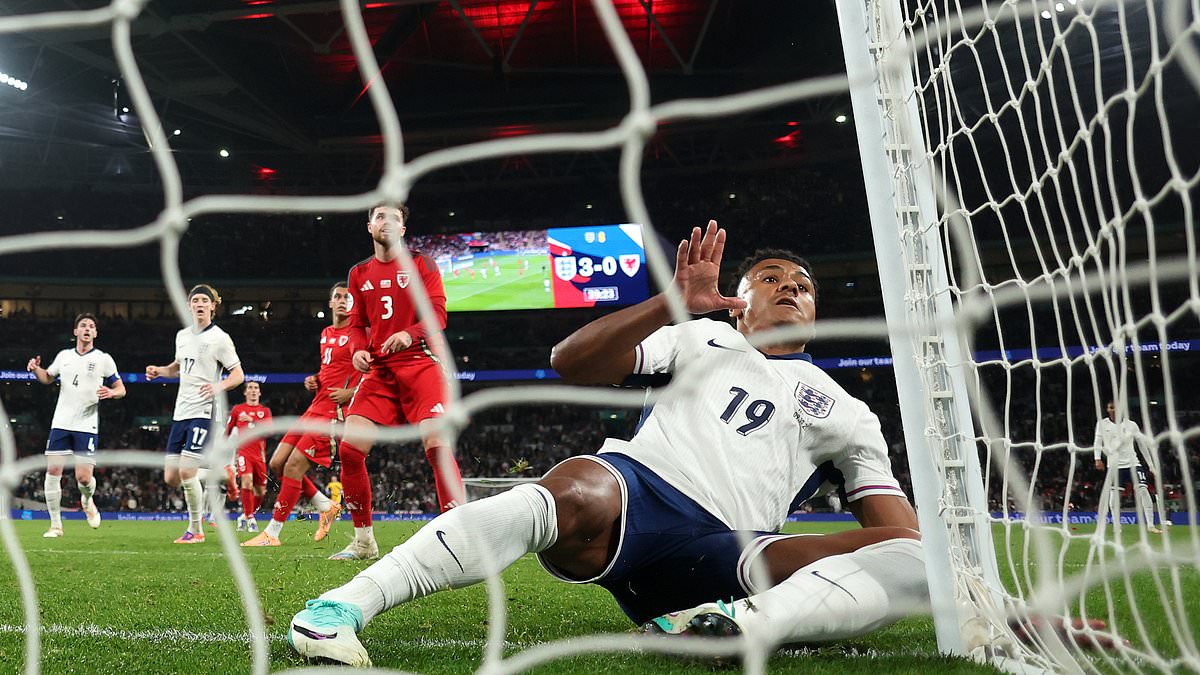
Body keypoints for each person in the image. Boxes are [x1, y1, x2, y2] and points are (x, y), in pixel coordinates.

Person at [287, 221, 927, 666]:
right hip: (638, 496)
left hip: (731, 556)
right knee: (575, 492)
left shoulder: (849, 413)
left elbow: (894, 535)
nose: (791, 287)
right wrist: (671, 304)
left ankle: (725, 628)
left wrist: (936, 564)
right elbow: (571, 361)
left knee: (922, 557)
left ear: (816, 309)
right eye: (771, 278)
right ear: (738, 305)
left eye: (803, 285)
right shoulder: (702, 338)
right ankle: (341, 606)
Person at [324, 203, 465, 562]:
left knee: (436, 445)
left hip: (422, 362)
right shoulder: (359, 273)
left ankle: (458, 538)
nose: (387, 222)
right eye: (380, 216)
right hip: (381, 370)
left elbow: (438, 315)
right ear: (369, 226)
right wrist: (357, 350)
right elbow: (356, 322)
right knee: (350, 449)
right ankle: (363, 542)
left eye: (395, 217)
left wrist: (409, 333)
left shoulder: (422, 265)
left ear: (404, 228)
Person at [243, 283, 360, 547]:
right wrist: (315, 379)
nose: (343, 301)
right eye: (338, 297)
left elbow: (374, 373)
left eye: (347, 298)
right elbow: (331, 370)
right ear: (330, 303)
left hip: (333, 413)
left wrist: (350, 393)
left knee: (293, 467)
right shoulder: (327, 333)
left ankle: (272, 533)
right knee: (276, 464)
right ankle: (326, 506)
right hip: (314, 407)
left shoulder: (358, 335)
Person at [146, 285, 245, 544]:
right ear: (189, 306)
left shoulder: (220, 338)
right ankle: (222, 474)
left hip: (204, 411)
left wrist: (218, 386)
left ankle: (195, 530)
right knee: (171, 477)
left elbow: (238, 374)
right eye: (195, 300)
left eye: (205, 300)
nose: (200, 304)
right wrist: (160, 371)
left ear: (213, 306)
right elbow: (178, 368)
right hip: (181, 411)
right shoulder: (182, 336)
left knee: (187, 473)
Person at [26, 313, 126, 537]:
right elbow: (47, 378)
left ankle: (87, 500)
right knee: (53, 470)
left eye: (91, 326)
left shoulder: (103, 359)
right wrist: (35, 370)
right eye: (83, 326)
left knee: (83, 477)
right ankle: (55, 525)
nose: (87, 329)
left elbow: (121, 389)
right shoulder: (64, 356)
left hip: (87, 424)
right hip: (61, 421)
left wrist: (111, 392)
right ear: (76, 332)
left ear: (96, 333)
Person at [1094, 399, 1164, 533]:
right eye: (1111, 407)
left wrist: (1150, 465)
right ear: (1107, 409)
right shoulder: (1102, 424)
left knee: (1143, 490)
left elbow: (1141, 445)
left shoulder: (1131, 425)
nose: (1113, 410)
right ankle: (1117, 526)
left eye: (1116, 407)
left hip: (1133, 463)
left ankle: (1150, 525)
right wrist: (1097, 458)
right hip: (1114, 466)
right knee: (1114, 497)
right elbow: (1097, 441)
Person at [226, 381, 272, 533]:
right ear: (245, 392)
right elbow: (227, 431)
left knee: (260, 492)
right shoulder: (238, 410)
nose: (253, 391)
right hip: (244, 453)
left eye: (256, 388)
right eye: (250, 388)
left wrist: (252, 420)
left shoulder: (265, 411)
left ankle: (244, 517)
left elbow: (269, 431)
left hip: (259, 456)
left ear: (260, 393)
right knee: (247, 481)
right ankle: (251, 518)